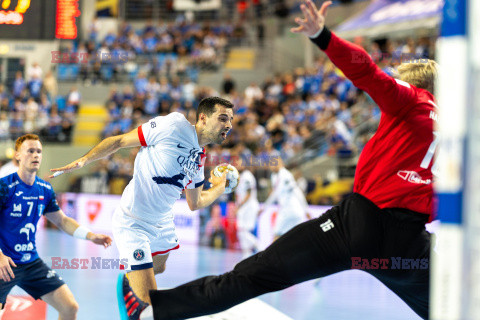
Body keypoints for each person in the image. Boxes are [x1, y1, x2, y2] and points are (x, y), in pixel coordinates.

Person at [118, 1, 438, 319]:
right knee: (449, 307)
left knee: (255, 275)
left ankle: (150, 314)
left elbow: (367, 72)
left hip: (360, 225)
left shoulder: (413, 98)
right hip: (407, 245)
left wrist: (322, 36)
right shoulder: (459, 133)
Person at [50, 97, 234, 319]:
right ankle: (131, 287)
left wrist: (220, 188)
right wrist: (83, 161)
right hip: (133, 221)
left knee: (160, 267)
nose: (229, 125)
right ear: (203, 118)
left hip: (163, 222)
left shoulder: (200, 157)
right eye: (223, 118)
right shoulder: (173, 125)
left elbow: (195, 203)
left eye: (231, 120)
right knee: (148, 307)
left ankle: (130, 274)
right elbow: (119, 141)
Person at [0, 134, 112, 319]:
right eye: (30, 151)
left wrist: (91, 236)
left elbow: (62, 220)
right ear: (18, 155)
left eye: (39, 151)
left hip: (31, 263)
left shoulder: (44, 189)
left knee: (69, 307)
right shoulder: (5, 187)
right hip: (4, 263)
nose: (36, 155)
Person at [260, 158, 309, 241]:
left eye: (273, 164)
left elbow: (296, 191)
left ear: (280, 163)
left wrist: (306, 209)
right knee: (291, 238)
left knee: (277, 236)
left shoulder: (285, 175)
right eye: (270, 164)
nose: (271, 167)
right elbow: (275, 193)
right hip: (285, 210)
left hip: (291, 210)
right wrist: (264, 207)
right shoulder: (274, 176)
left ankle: (272, 254)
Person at [234, 160, 259, 258]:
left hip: (249, 206)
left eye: (239, 162)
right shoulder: (239, 177)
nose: (237, 165)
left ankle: (259, 246)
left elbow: (248, 194)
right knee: (241, 232)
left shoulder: (247, 176)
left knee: (243, 231)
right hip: (243, 207)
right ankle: (246, 256)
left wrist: (239, 206)